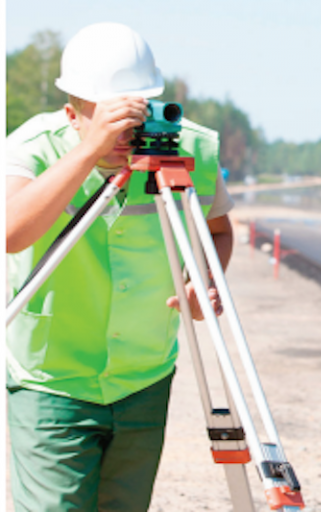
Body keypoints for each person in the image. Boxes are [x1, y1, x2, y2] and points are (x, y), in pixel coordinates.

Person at [5, 22, 234, 511]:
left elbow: (216, 231)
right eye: (106, 118)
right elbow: (10, 232)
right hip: (52, 379)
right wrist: (88, 152)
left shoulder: (188, 149)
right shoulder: (33, 146)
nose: (124, 134)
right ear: (72, 113)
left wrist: (204, 282)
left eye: (132, 116)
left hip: (143, 375)